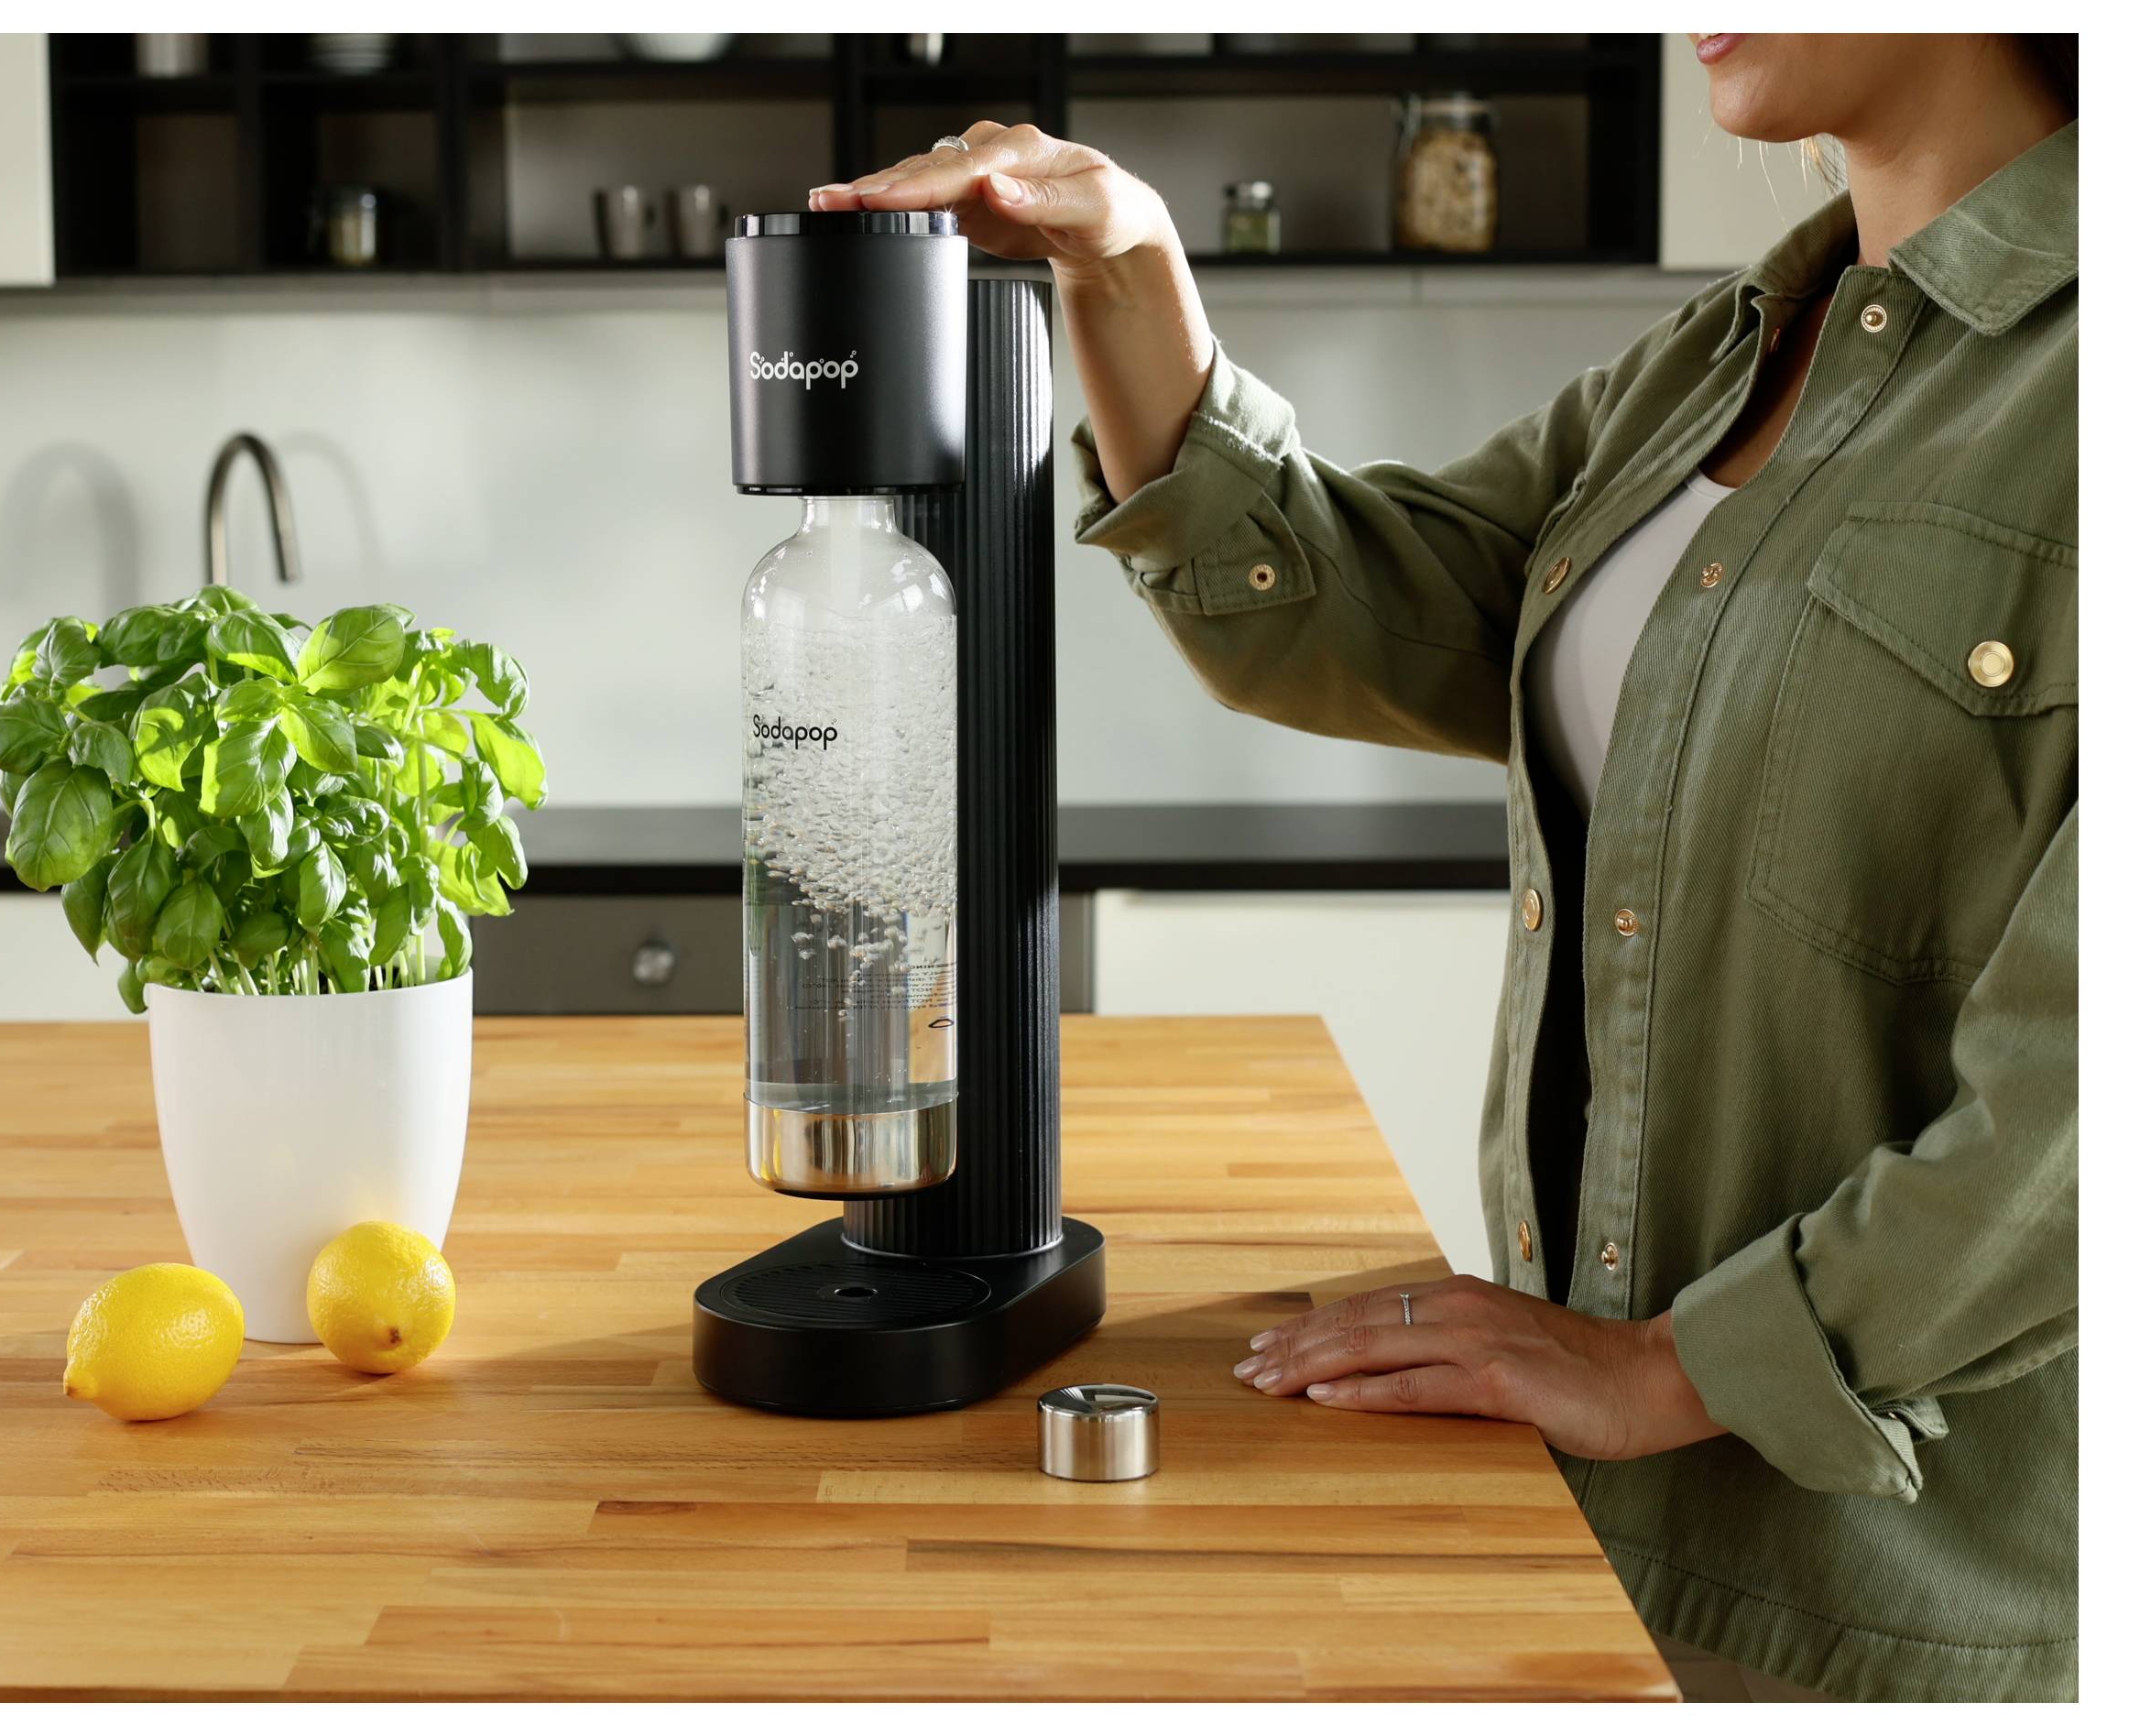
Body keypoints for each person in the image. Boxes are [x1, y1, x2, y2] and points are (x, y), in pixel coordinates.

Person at [813, 32, 2077, 1703]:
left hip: (1902, 1594)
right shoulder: (1727, 351)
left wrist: (1669, 1370)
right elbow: (1356, 604)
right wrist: (1129, 269)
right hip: (1587, 1516)